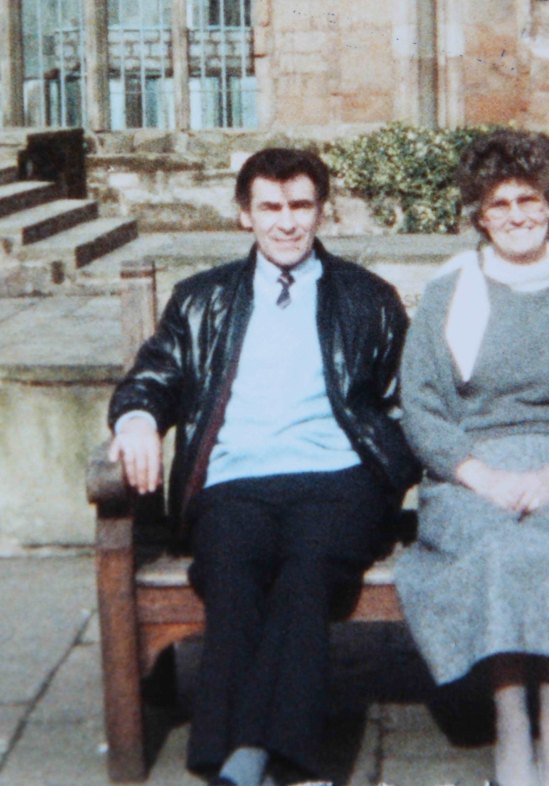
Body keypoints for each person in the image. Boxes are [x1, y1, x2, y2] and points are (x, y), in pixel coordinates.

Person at [107, 147, 420, 786]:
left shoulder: (367, 297)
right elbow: (154, 376)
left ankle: (240, 758)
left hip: (338, 480)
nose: (286, 223)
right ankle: (278, 759)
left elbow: (402, 403)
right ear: (244, 215)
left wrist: (391, 471)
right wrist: (137, 417)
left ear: (321, 211)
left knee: (307, 574)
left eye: (300, 206)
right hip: (234, 482)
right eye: (270, 208)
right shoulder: (201, 299)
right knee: (232, 570)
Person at [396, 129, 549, 786]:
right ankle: (510, 726)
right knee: (503, 549)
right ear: (479, 214)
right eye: (498, 204)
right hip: (471, 473)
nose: (516, 216)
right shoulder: (451, 294)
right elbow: (422, 406)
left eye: (528, 200)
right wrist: (481, 476)